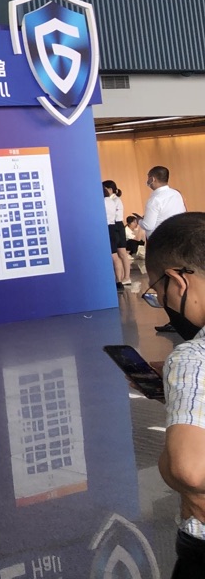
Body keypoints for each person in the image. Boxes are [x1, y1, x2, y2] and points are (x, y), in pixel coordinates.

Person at [144, 213, 205, 577]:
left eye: (157, 291)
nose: (161, 300)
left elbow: (191, 470)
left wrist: (168, 462)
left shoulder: (194, 357)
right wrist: (182, 398)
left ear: (179, 281)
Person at [142, 166, 187, 334]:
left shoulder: (154, 199)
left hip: (161, 245)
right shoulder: (176, 194)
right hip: (179, 241)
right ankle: (185, 319)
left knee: (164, 285)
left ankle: (175, 321)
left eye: (148, 177)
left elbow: (148, 225)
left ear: (152, 178)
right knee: (180, 282)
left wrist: (139, 221)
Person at [104, 180, 134, 289]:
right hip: (114, 225)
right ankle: (120, 278)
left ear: (110, 189)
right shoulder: (111, 200)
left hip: (117, 225)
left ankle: (126, 277)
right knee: (117, 254)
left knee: (121, 253)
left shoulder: (115, 200)